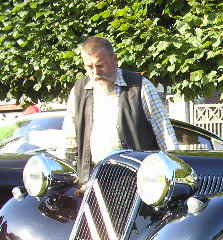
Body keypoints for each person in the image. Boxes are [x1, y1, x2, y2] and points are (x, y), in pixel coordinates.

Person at [62, 36, 178, 182]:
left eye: (100, 65)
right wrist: (64, 173)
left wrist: (175, 169)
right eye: (89, 67)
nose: (95, 73)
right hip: (93, 180)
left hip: (139, 180)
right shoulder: (79, 90)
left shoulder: (140, 86)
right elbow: (69, 141)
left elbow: (164, 132)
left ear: (115, 60)